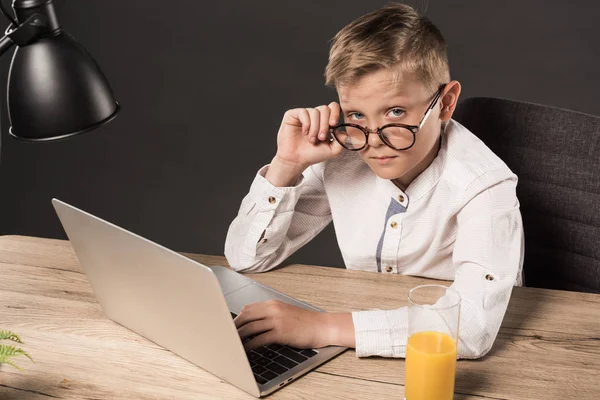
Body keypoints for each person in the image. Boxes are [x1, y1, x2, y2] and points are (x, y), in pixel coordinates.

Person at [224, 2, 524, 359]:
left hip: (446, 360)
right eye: (356, 115)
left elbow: (471, 327)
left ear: (445, 103)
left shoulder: (484, 186)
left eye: (396, 112)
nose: (375, 139)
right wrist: (286, 165)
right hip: (361, 343)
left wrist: (321, 327)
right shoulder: (346, 152)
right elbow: (248, 259)